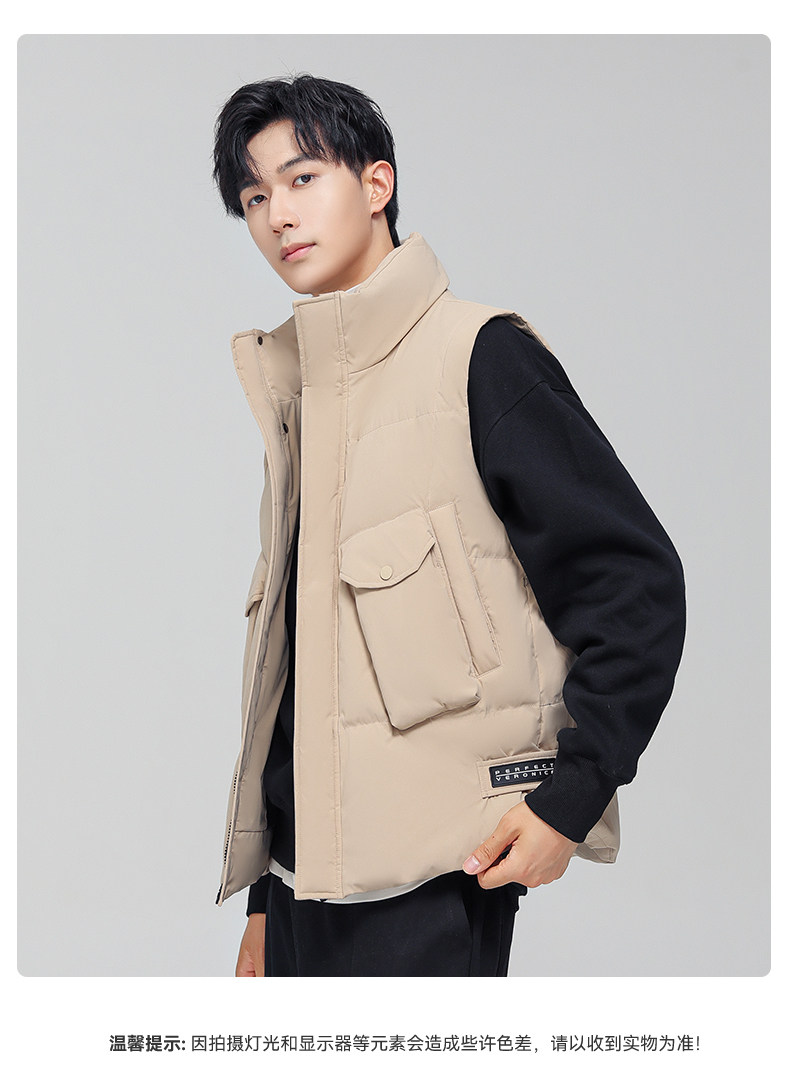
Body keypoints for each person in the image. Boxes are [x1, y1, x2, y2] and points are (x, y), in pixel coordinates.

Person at [211, 74, 686, 977]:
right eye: (255, 196)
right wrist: (269, 897)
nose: (278, 215)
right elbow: (302, 683)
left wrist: (568, 799)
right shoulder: (305, 393)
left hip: (434, 882)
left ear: (377, 183)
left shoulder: (480, 356)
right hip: (305, 889)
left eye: (302, 178)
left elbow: (635, 585)